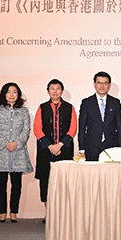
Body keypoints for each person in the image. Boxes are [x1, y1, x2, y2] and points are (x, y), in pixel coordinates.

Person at [0, 82, 33, 223]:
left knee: (16, 183)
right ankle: (2, 212)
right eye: (9, 92)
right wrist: (5, 143)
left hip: (18, 152)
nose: (12, 95)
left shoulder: (24, 111)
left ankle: (13, 212)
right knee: (1, 183)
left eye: (14, 92)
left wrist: (16, 143)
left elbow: (26, 130)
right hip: (1, 152)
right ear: (4, 94)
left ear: (18, 95)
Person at [33, 79, 77, 223]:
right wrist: (50, 146)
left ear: (62, 91)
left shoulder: (70, 107)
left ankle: (62, 214)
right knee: (45, 181)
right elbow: (37, 129)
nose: (55, 91)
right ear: (48, 91)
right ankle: (49, 213)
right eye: (52, 88)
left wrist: (60, 145)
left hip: (64, 150)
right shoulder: (42, 107)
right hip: (46, 150)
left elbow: (73, 129)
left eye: (58, 88)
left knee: (64, 182)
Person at [78, 71, 121, 161]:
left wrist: (120, 148)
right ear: (94, 84)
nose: (102, 86)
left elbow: (119, 127)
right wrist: (82, 148)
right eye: (99, 83)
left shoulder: (115, 103)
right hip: (91, 146)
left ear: (109, 85)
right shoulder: (86, 103)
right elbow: (82, 128)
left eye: (105, 83)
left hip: (111, 146)